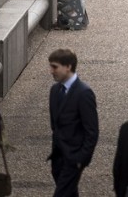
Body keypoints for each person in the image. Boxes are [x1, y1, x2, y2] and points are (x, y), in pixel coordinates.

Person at [48, 48, 99, 197]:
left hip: (74, 158)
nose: (51, 71)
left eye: (55, 67)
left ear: (68, 66)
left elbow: (92, 130)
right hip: (58, 158)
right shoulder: (54, 91)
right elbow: (54, 124)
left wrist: (81, 159)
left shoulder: (84, 93)